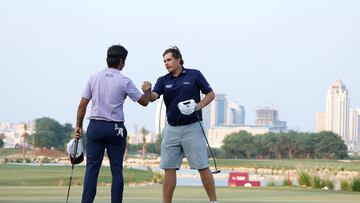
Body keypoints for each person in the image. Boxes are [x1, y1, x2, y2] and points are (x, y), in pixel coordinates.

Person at [74, 44, 151, 203]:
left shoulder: (94, 78)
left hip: (95, 127)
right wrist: (148, 89)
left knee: (92, 169)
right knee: (116, 171)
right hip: (115, 129)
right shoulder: (124, 80)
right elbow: (144, 102)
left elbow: (82, 105)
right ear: (121, 61)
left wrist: (79, 126)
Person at [148, 46, 218, 203]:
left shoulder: (194, 75)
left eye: (169, 60)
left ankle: (214, 201)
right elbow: (153, 97)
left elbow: (210, 94)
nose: (166, 63)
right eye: (164, 61)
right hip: (171, 129)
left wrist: (197, 106)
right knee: (169, 168)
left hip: (193, 128)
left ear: (178, 59)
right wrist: (147, 90)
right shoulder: (163, 80)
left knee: (202, 166)